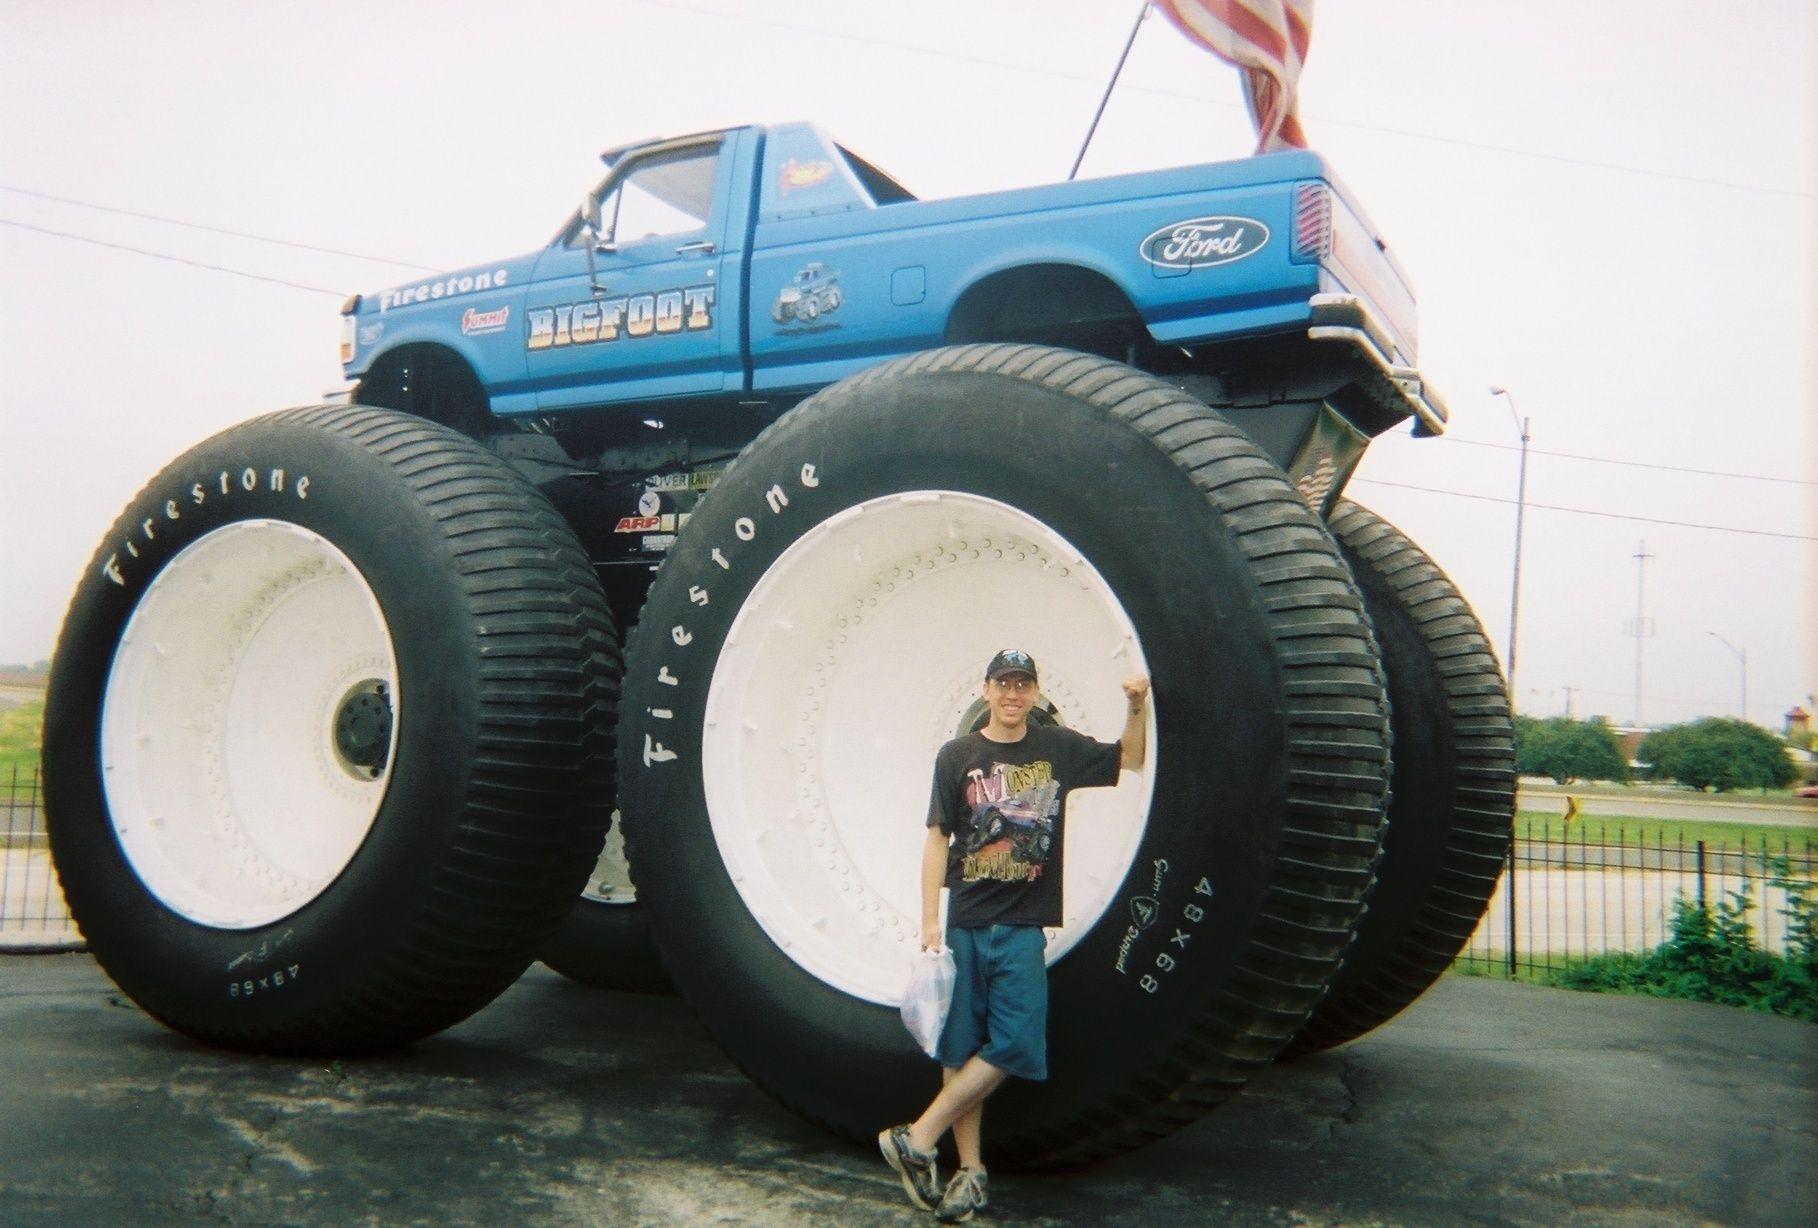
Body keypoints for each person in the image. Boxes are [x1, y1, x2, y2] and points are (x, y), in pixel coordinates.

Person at [880, 649, 1150, 1221]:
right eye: (1003, 683)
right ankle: (970, 1173)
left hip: (1025, 925)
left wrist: (1136, 706)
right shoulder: (958, 755)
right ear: (986, 689)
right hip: (967, 921)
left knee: (1017, 1043)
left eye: (1022, 684)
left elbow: (1131, 758)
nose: (1012, 693)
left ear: (1034, 692)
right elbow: (937, 839)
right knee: (960, 1050)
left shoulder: (1058, 749)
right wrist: (930, 919)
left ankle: (918, 1137)